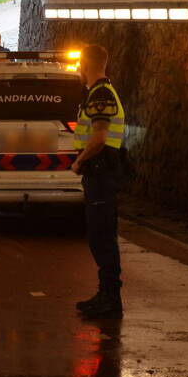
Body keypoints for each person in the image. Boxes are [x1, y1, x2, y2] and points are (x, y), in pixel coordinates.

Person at [72, 44, 126, 319]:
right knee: (99, 235)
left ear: (85, 64)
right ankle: (105, 294)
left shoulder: (101, 94)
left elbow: (100, 136)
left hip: (101, 172)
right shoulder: (98, 92)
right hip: (100, 173)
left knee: (101, 236)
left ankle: (110, 298)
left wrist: (80, 160)